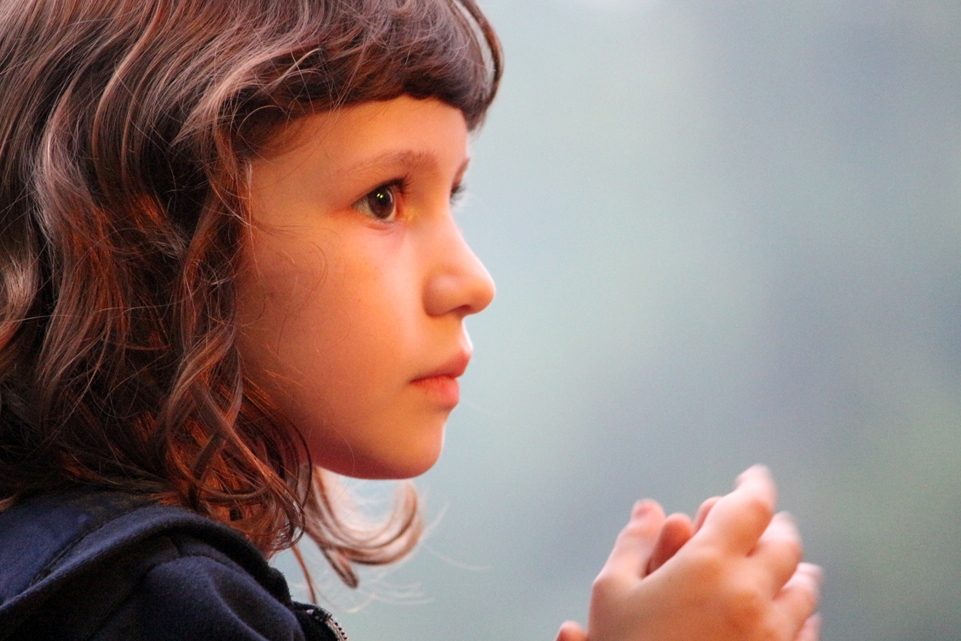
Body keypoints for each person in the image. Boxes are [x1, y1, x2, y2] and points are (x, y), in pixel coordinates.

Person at [0, 0, 822, 639]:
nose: (472, 282)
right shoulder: (149, 605)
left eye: (451, 195)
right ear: (152, 238)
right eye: (384, 199)